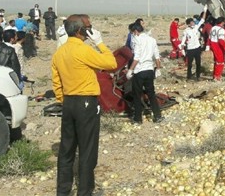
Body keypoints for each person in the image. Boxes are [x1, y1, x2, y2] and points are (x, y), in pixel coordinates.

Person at [51, 14, 117, 196]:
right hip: (86, 102)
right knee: (87, 150)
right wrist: (100, 43)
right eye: (88, 27)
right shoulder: (83, 50)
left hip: (68, 102)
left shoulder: (60, 52)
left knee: (67, 149)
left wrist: (63, 101)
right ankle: (85, 191)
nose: (90, 30)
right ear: (81, 31)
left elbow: (56, 82)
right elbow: (111, 63)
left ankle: (63, 191)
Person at [126, 23, 164, 124]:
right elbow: (157, 56)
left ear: (135, 31)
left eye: (132, 33)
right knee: (151, 94)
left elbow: (137, 57)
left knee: (137, 95)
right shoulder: (152, 40)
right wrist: (158, 68)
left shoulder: (137, 40)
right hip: (150, 70)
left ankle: (138, 119)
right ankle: (157, 116)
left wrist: (130, 70)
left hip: (140, 71)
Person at [180, 6, 208, 80]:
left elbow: (202, 20)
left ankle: (198, 76)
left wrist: (204, 11)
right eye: (191, 22)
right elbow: (183, 41)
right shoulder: (186, 31)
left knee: (198, 63)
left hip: (197, 48)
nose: (193, 23)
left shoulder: (196, 27)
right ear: (189, 24)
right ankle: (189, 77)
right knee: (189, 64)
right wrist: (182, 49)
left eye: (193, 22)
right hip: (190, 49)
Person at [209, 17, 225, 81]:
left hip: (213, 45)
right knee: (220, 62)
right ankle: (217, 77)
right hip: (218, 47)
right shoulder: (221, 30)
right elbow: (221, 41)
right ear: (222, 22)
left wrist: (208, 46)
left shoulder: (213, 28)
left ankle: (214, 75)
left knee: (216, 62)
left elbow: (209, 38)